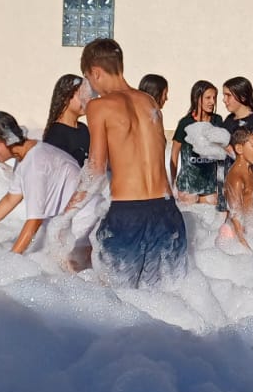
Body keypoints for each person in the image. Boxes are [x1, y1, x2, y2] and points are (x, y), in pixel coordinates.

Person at [59, 39, 186, 287]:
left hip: (129, 215)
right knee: (162, 306)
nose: (90, 87)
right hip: (168, 213)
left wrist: (63, 219)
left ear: (96, 72)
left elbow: (95, 169)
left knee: (119, 308)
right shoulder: (150, 102)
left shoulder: (99, 106)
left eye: (88, 79)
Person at [0, 112, 82, 254]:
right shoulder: (27, 155)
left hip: (81, 231)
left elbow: (35, 220)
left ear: (6, 139)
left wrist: (12, 259)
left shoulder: (35, 164)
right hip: (68, 227)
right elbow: (11, 199)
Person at [170, 80, 223, 193]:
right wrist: (172, 184)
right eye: (208, 98)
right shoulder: (185, 123)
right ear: (197, 99)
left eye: (214, 98)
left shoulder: (217, 120)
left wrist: (221, 184)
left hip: (210, 186)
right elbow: (174, 154)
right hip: (187, 186)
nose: (212, 102)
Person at [220, 129, 253, 250]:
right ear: (239, 149)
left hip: (252, 229)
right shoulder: (236, 178)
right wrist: (247, 248)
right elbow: (236, 217)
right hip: (235, 235)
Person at [221, 76, 253, 189]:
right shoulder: (229, 120)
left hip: (246, 189)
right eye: (224, 95)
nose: (224, 100)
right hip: (228, 184)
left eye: (228, 95)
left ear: (242, 97)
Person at [44, 74, 91, 166]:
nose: (87, 100)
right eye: (82, 95)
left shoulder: (83, 129)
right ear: (66, 97)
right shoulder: (55, 134)